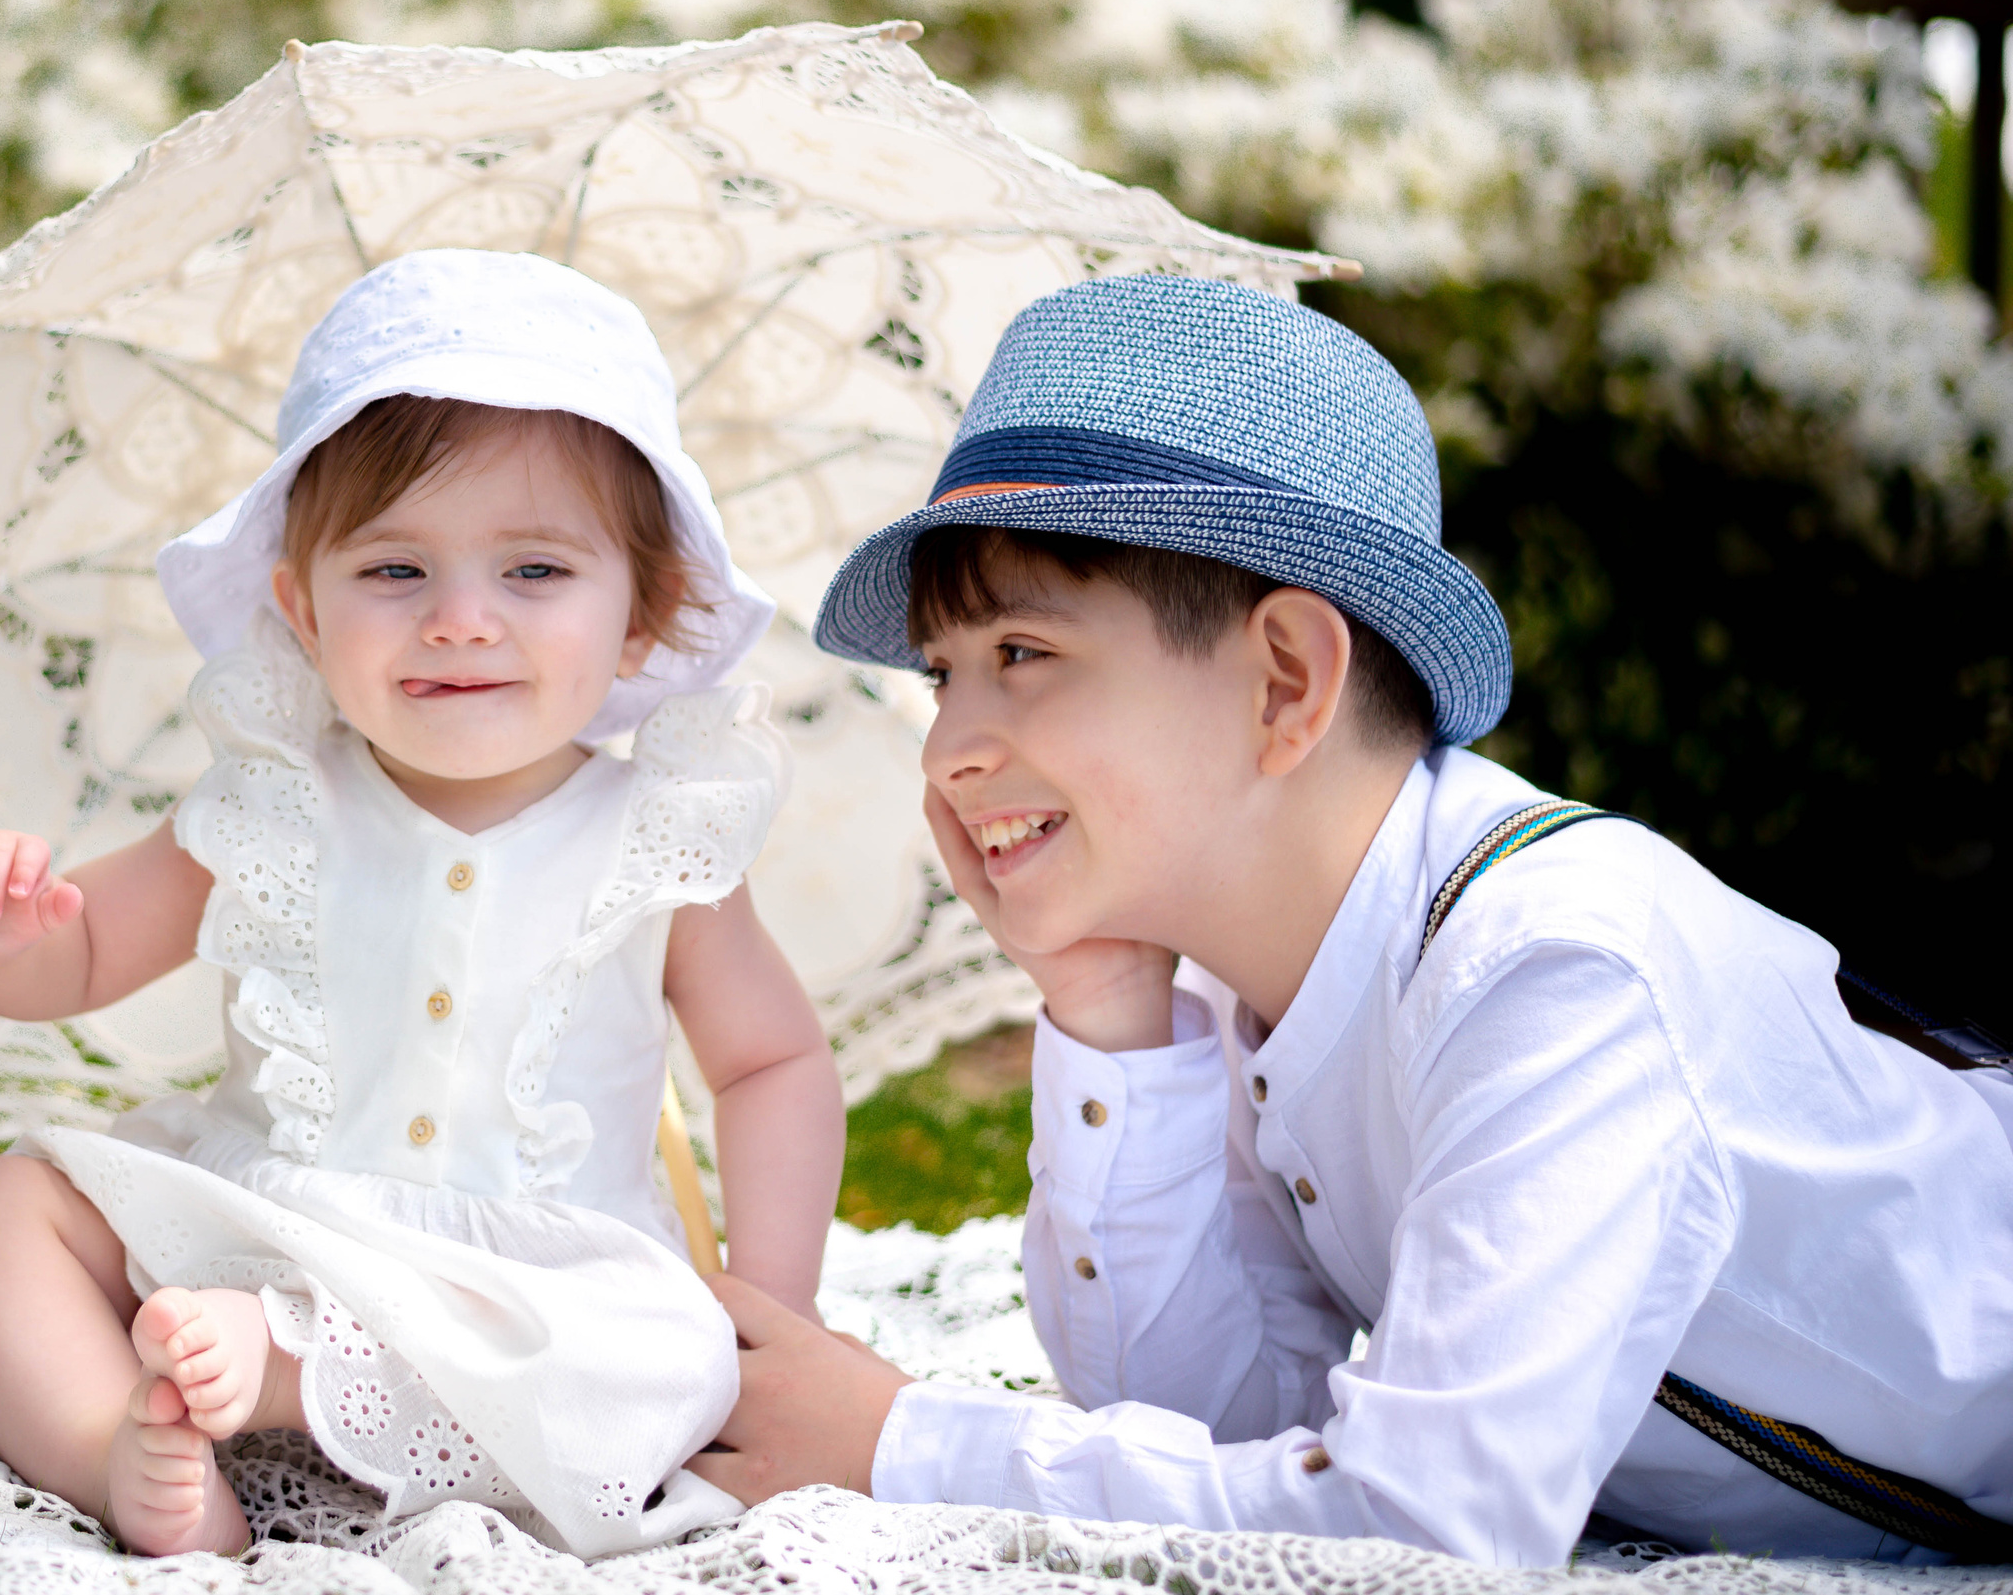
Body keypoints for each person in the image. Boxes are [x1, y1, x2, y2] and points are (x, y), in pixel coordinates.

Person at [688, 272, 2013, 1566]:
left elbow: (1432, 1529)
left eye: (1022, 654)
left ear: (1285, 679)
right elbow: (1221, 1429)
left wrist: (907, 1444)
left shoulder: (1551, 969)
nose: (952, 748)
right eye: (943, 673)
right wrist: (1105, 1010)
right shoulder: (1244, 980)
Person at [0, 250, 843, 1561]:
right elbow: (81, 954)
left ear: (644, 616)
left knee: (663, 1348)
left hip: (514, 1293)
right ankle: (115, 1443)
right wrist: (9, 939)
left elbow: (775, 1059)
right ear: (299, 608)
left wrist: (773, 1302)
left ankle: (287, 1374)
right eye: (396, 571)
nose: (462, 621)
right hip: (257, 1226)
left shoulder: (657, 834)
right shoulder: (273, 800)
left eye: (534, 571)